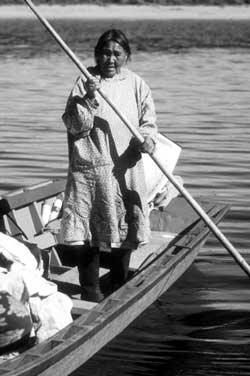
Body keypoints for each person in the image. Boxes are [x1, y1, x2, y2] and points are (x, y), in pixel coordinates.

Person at [60, 29, 157, 302]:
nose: (110, 59)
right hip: (90, 168)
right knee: (88, 234)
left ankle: (118, 288)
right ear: (96, 54)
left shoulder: (137, 84)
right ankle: (90, 292)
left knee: (126, 228)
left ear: (126, 56)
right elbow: (76, 127)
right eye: (105, 52)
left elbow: (148, 125)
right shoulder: (85, 81)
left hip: (123, 168)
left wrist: (146, 141)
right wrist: (89, 98)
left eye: (116, 53)